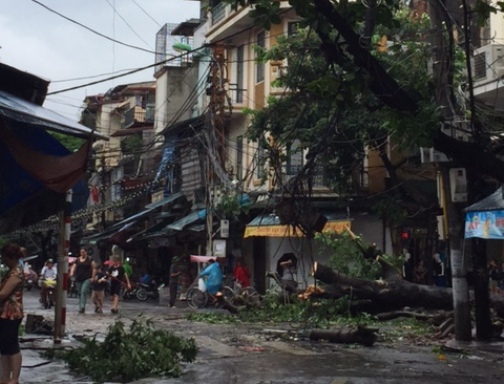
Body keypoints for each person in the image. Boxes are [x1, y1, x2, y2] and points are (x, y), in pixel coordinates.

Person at [0, 243, 25, 384]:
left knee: (12, 345)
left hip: (12, 314)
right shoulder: (10, 272)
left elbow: (3, 294)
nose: (3, 261)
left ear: (11, 258)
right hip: (4, 313)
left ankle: (14, 378)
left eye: (4, 258)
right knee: (4, 346)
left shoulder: (16, 273)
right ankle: (4, 377)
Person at [70, 248, 95, 314]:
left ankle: (82, 307)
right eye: (81, 252)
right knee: (79, 293)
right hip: (78, 278)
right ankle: (80, 306)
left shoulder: (90, 259)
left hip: (87, 278)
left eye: (83, 252)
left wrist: (93, 277)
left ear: (86, 252)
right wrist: (72, 273)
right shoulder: (77, 260)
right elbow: (74, 266)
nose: (82, 253)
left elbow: (94, 268)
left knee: (83, 291)